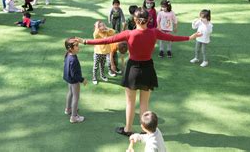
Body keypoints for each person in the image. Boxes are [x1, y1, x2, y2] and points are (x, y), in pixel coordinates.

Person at [78, 8, 201, 136]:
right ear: (149, 20)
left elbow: (107, 40)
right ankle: (145, 130)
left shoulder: (128, 33)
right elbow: (171, 38)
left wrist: (86, 41)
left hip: (132, 70)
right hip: (147, 69)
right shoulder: (154, 32)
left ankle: (128, 129)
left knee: (130, 103)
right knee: (144, 103)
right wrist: (189, 37)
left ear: (134, 20)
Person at [63, 38, 88, 123]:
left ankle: (68, 109)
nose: (78, 47)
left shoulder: (68, 55)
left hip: (69, 79)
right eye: (76, 46)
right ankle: (74, 117)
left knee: (70, 93)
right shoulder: (73, 59)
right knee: (76, 97)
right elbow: (75, 74)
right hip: (74, 80)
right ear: (70, 48)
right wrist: (82, 79)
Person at [92, 21, 116, 85]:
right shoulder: (96, 34)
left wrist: (107, 29)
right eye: (100, 26)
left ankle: (102, 75)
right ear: (98, 27)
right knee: (96, 66)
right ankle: (94, 78)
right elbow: (95, 33)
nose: (102, 27)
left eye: (103, 25)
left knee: (102, 66)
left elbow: (113, 32)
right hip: (97, 53)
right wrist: (97, 27)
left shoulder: (106, 32)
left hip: (104, 53)